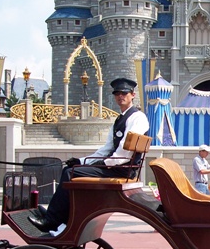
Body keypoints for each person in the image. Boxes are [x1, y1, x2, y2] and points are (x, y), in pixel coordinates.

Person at [28, 77, 149, 232]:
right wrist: (82, 160)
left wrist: (103, 163)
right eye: (117, 93)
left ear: (132, 95)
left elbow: (125, 152)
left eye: (124, 93)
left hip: (122, 168)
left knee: (69, 173)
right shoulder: (120, 118)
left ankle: (53, 220)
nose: (120, 96)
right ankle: (60, 217)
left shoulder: (137, 118)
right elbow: (106, 149)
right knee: (72, 169)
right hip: (117, 166)